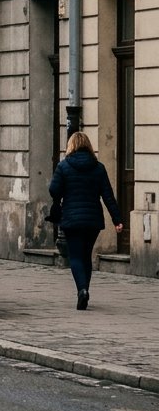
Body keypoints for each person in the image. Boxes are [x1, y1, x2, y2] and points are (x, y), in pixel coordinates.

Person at [49, 132, 124, 311]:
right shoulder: (98, 167)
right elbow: (108, 196)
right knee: (86, 256)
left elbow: (53, 190)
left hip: (71, 219)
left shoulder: (64, 166)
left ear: (71, 145)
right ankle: (85, 290)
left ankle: (82, 290)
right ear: (89, 146)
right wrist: (117, 220)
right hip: (92, 220)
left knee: (74, 256)